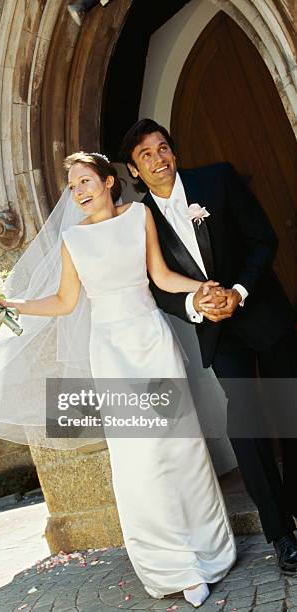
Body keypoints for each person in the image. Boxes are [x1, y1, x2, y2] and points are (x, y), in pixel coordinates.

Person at [0, 152, 236, 606]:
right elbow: (64, 302)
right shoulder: (72, 240)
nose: (78, 191)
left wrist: (201, 287)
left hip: (152, 341)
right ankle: (174, 566)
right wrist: (15, 306)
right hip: (111, 353)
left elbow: (160, 275)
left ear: (107, 181)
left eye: (85, 180)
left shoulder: (138, 215)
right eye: (72, 185)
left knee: (179, 445)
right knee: (140, 457)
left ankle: (208, 550)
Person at [120, 118, 297, 575]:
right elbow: (157, 288)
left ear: (173, 152)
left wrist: (239, 290)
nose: (158, 159)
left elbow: (263, 240)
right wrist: (198, 306)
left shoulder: (217, 179)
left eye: (163, 149)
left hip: (264, 313)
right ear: (134, 170)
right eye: (146, 155)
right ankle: (281, 534)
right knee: (248, 426)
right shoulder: (139, 221)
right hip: (218, 333)